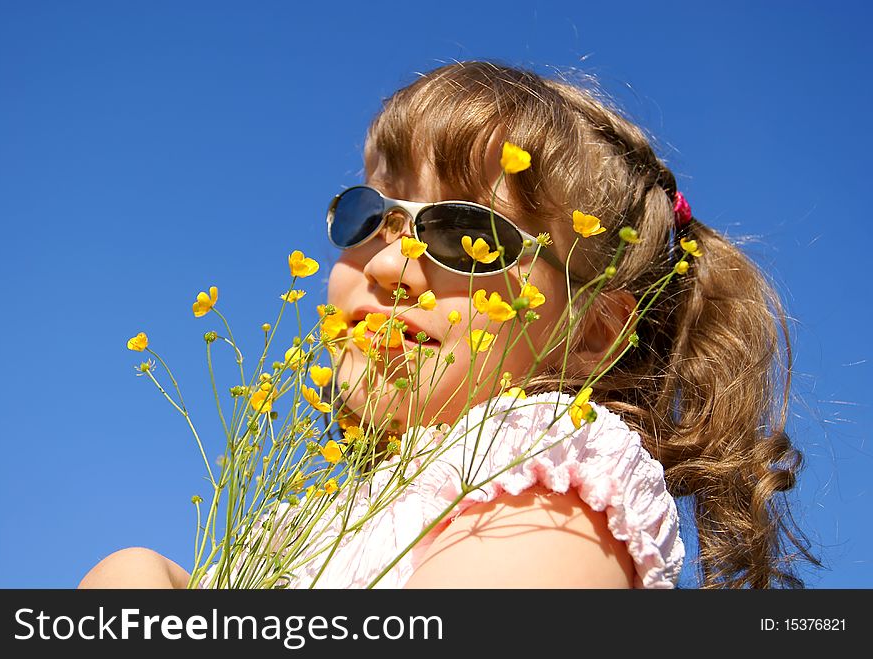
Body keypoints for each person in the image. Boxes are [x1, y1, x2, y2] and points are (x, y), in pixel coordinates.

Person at [78, 60, 817, 590]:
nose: (388, 266)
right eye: (368, 217)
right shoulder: (322, 514)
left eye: (467, 233)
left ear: (593, 332)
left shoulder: (551, 479)